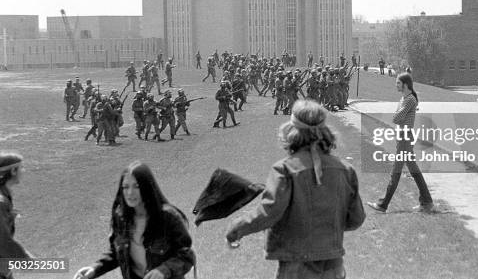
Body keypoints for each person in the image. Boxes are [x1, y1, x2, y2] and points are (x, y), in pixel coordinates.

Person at [226, 99, 365, 279]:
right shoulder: (346, 170)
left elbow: (269, 213)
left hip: (296, 264)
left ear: (291, 131)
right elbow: (356, 219)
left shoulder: (285, 169)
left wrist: (235, 229)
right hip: (334, 263)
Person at [73, 161, 195, 279]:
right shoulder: (120, 217)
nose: (130, 193)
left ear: (147, 187)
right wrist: (95, 269)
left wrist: (163, 271)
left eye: (137, 186)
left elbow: (187, 256)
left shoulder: (169, 217)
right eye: (125, 187)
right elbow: (117, 253)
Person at [367, 72, 434, 213]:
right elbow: (398, 117)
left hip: (404, 138)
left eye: (398, 82)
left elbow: (396, 118)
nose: (395, 85)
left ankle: (382, 205)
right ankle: (427, 201)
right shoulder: (403, 98)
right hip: (403, 137)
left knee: (396, 173)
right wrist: (398, 116)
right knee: (414, 171)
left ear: (406, 84)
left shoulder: (410, 100)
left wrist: (397, 116)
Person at [0, 152, 33, 279]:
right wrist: (25, 260)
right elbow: (2, 240)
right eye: (21, 168)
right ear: (13, 170)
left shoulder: (4, 197)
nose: (23, 171)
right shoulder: (1, 202)